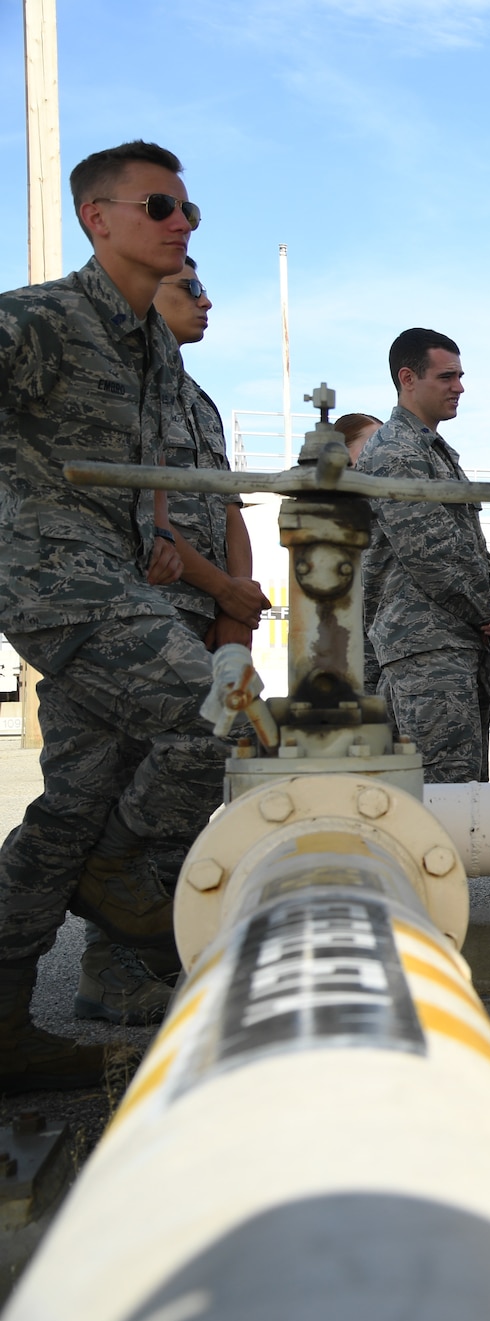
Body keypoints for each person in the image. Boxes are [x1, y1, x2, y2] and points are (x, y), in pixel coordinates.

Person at [0, 140, 230, 1080]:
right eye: (160, 206)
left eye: (188, 211)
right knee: (220, 707)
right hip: (55, 580)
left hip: (121, 581)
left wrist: (166, 543)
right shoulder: (42, 318)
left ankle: (8, 1028)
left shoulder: (154, 352)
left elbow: (155, 480)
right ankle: (118, 871)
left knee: (71, 807)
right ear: (98, 219)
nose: (182, 223)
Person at [357, 329, 490, 784]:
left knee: (465, 790)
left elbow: (472, 545)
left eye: (460, 376)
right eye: (447, 376)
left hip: (455, 641)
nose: (459, 387)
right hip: (424, 647)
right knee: (444, 795)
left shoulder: (436, 454)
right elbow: (432, 555)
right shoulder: (395, 452)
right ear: (408, 378)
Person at [155, 257, 268, 652]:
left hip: (213, 617)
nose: (206, 303)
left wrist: (235, 608)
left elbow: (229, 509)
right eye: (191, 289)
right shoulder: (123, 389)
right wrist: (226, 591)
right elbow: (137, 513)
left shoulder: (200, 401)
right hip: (151, 609)